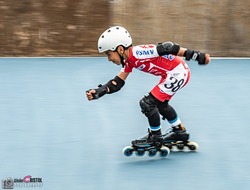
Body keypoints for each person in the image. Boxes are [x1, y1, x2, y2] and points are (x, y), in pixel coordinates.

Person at [86, 26, 210, 148]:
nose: (108, 59)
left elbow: (168, 47)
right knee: (161, 104)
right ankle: (179, 132)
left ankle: (155, 136)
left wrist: (197, 56)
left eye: (108, 54)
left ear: (120, 49)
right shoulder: (128, 60)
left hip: (178, 72)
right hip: (171, 73)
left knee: (147, 103)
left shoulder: (138, 53)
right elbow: (117, 82)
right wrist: (99, 91)